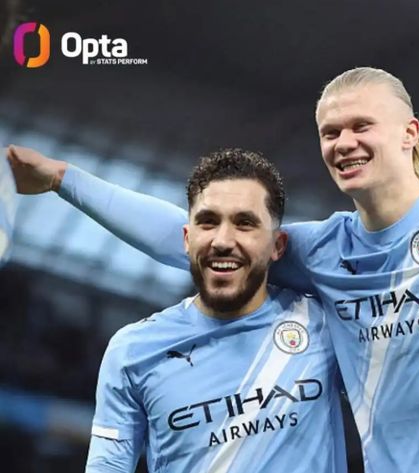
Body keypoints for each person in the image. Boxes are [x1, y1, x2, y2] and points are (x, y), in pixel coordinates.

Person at [9, 14, 419, 472]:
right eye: (330, 132)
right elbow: (193, 240)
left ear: (409, 132)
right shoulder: (323, 251)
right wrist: (65, 180)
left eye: (361, 126)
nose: (344, 143)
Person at [84, 149, 347, 473]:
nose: (222, 240)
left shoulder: (325, 325)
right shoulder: (133, 351)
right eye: (208, 222)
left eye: (245, 223)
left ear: (278, 245)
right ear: (186, 239)